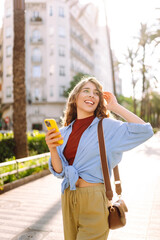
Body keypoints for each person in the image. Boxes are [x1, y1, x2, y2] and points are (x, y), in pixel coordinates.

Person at [45, 76, 153, 240]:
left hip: (94, 198)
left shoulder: (106, 126)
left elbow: (145, 131)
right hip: (68, 196)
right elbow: (59, 171)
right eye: (86, 91)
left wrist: (115, 107)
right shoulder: (64, 132)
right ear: (75, 97)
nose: (91, 95)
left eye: (96, 93)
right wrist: (53, 149)